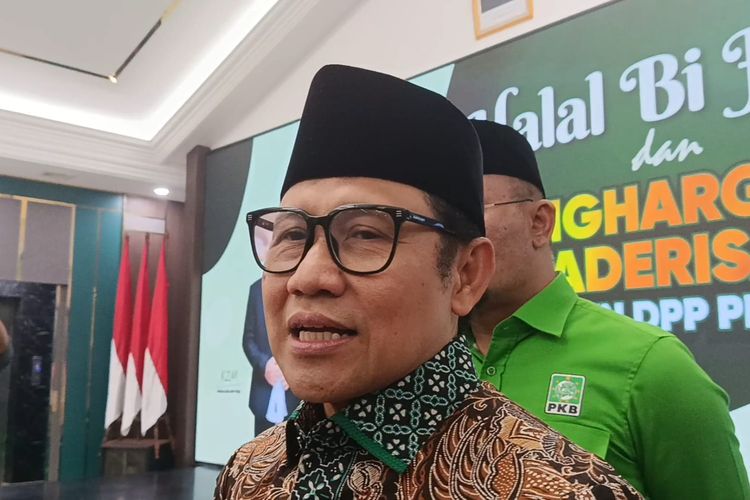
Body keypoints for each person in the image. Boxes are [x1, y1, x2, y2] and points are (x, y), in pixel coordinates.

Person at [215, 65, 641, 499]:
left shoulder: (560, 489)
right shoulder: (248, 471)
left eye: (365, 234)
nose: (307, 277)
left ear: (465, 275)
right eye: (292, 235)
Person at [467, 119, 750, 499]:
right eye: (443, 220)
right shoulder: (422, 360)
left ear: (540, 222)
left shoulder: (651, 367)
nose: (456, 235)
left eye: (475, 210)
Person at [242, 278, 299, 435]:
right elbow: (248, 339)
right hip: (263, 393)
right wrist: (265, 365)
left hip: (297, 396)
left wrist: (290, 369)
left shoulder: (301, 285)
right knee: (261, 446)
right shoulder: (256, 289)